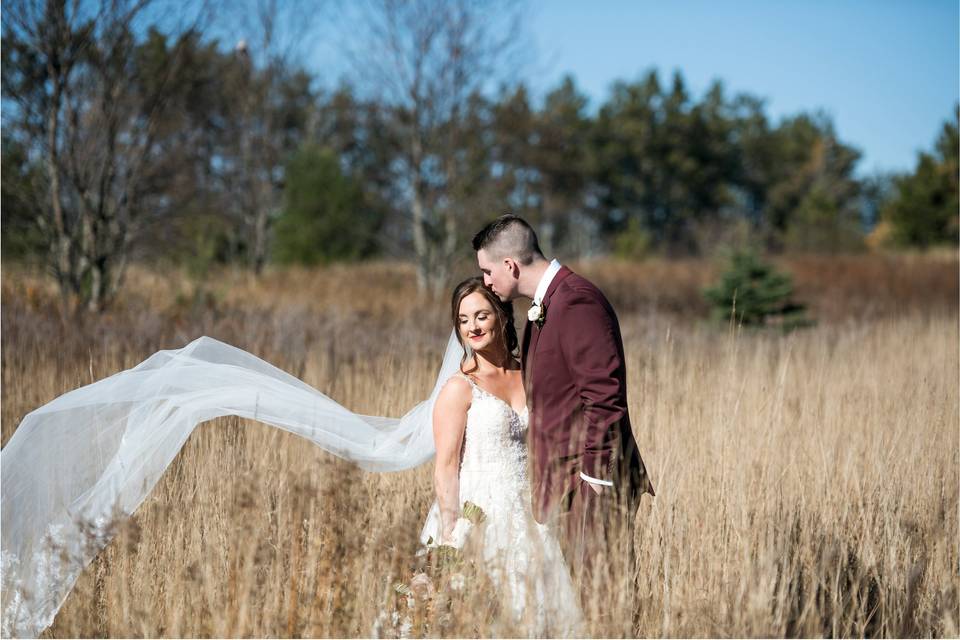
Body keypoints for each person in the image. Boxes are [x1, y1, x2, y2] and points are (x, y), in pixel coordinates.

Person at [473, 214, 655, 610]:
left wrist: (593, 482)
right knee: (582, 607)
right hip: (566, 487)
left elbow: (605, 398)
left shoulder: (575, 301)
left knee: (604, 606)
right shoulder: (548, 304)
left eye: (488, 271)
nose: (487, 282)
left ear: (510, 265)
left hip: (591, 487)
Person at [418, 277, 582, 634]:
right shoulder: (459, 388)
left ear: (501, 315)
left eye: (481, 315)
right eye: (463, 320)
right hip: (478, 517)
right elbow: (445, 469)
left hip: (528, 513)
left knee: (536, 613)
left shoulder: (530, 375)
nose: (472, 327)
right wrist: (451, 535)